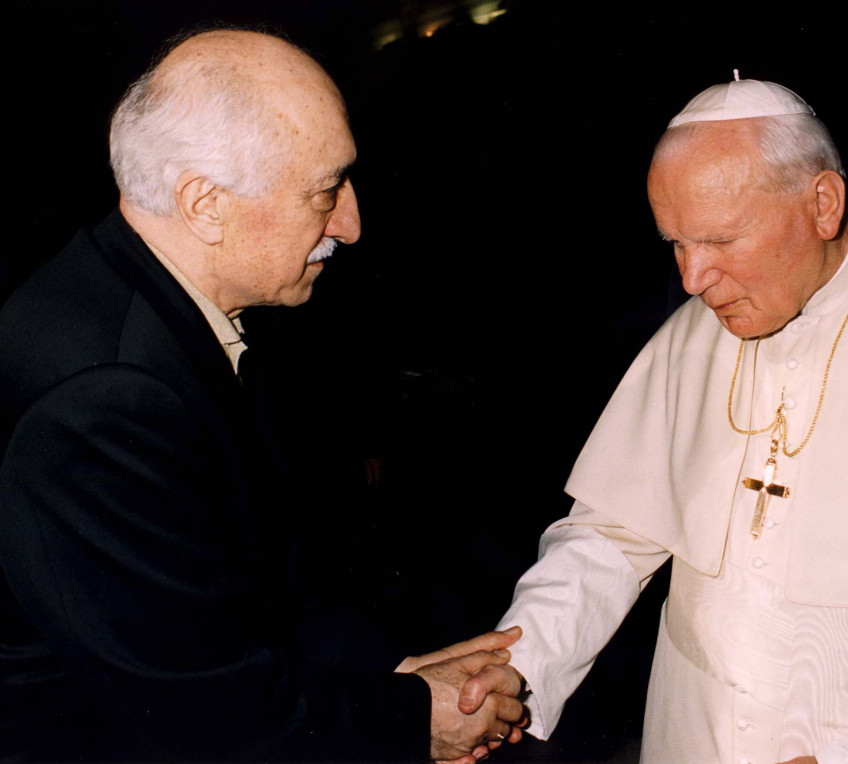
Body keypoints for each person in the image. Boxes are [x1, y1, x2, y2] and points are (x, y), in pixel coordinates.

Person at [0, 29, 524, 763]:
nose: (350, 225)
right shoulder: (107, 396)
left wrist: (398, 673)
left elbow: (257, 586)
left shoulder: (160, 306)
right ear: (206, 204)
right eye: (325, 191)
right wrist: (414, 718)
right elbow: (198, 710)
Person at [461, 78, 848, 762]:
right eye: (676, 244)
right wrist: (522, 662)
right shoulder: (699, 327)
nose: (692, 280)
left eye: (720, 240)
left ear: (822, 204)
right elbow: (612, 533)